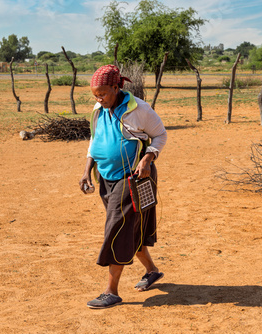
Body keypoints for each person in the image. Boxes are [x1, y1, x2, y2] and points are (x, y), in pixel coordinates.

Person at [79, 64, 168, 309]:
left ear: (117, 87)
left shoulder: (138, 109)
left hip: (133, 178)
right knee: (128, 227)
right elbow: (94, 142)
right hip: (106, 179)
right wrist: (87, 170)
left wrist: (148, 158)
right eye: (95, 94)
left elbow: (160, 135)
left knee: (117, 228)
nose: (98, 99)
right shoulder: (99, 109)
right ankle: (152, 271)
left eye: (103, 94)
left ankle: (111, 291)